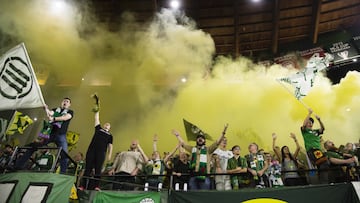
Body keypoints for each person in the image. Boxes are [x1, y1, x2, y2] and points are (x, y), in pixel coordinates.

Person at [15, 97, 74, 174]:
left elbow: (65, 118)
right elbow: (50, 113)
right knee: (34, 146)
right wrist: (46, 108)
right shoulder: (56, 109)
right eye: (64, 101)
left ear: (69, 104)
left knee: (64, 153)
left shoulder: (70, 111)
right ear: (61, 102)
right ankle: (18, 165)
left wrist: (54, 119)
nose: (65, 102)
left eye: (67, 101)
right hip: (50, 134)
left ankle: (62, 173)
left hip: (61, 135)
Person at [172, 124, 228, 190]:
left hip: (204, 177)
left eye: (202, 138)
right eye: (198, 138)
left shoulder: (208, 150)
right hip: (193, 176)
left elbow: (217, 143)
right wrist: (178, 136)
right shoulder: (192, 149)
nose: (200, 139)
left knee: (203, 196)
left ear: (204, 141)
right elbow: (183, 144)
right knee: (193, 196)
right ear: (196, 141)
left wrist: (224, 131)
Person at [79, 105, 113, 191]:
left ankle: (96, 186)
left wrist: (109, 155)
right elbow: (96, 119)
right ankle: (83, 186)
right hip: (91, 150)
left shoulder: (110, 135)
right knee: (88, 169)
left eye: (108, 125)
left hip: (101, 153)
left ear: (110, 128)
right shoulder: (98, 129)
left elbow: (110, 145)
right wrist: (97, 111)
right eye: (106, 124)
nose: (106, 125)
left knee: (98, 170)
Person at [300, 108, 328, 184]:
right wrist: (309, 114)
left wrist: (319, 120)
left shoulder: (315, 131)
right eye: (308, 122)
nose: (310, 124)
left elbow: (323, 129)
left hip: (318, 151)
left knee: (322, 165)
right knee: (323, 162)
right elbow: (303, 125)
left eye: (311, 122)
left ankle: (321, 181)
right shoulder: (305, 131)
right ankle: (323, 182)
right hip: (313, 150)